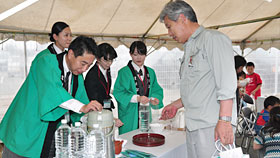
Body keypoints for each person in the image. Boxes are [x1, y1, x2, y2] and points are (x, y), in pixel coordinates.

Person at [0, 36, 103, 158]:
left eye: (89, 66)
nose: (85, 69)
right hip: (26, 128)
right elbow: (54, 92)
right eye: (83, 63)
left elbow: (82, 102)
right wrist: (83, 107)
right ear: (70, 54)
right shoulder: (46, 62)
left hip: (49, 133)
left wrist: (99, 117)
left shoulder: (77, 76)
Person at [159, 1, 237, 158]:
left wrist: (225, 121)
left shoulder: (213, 39)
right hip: (194, 125)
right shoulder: (189, 47)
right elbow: (197, 86)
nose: (169, 33)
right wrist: (176, 104)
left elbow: (227, 82)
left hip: (212, 125)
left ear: (182, 18)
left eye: (169, 26)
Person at [113, 41, 164, 135]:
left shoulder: (151, 72)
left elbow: (156, 89)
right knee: (128, 141)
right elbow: (118, 92)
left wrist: (154, 99)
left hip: (146, 114)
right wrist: (137, 98)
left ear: (146, 55)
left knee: (144, 139)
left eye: (142, 54)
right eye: (135, 54)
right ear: (130, 54)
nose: (139, 58)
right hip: (129, 115)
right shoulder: (123, 72)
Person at [84, 43, 123, 127]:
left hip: (105, 109)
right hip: (96, 113)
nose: (109, 63)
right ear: (97, 58)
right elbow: (93, 99)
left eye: (111, 60)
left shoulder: (106, 69)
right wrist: (110, 118)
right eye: (106, 60)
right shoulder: (92, 75)